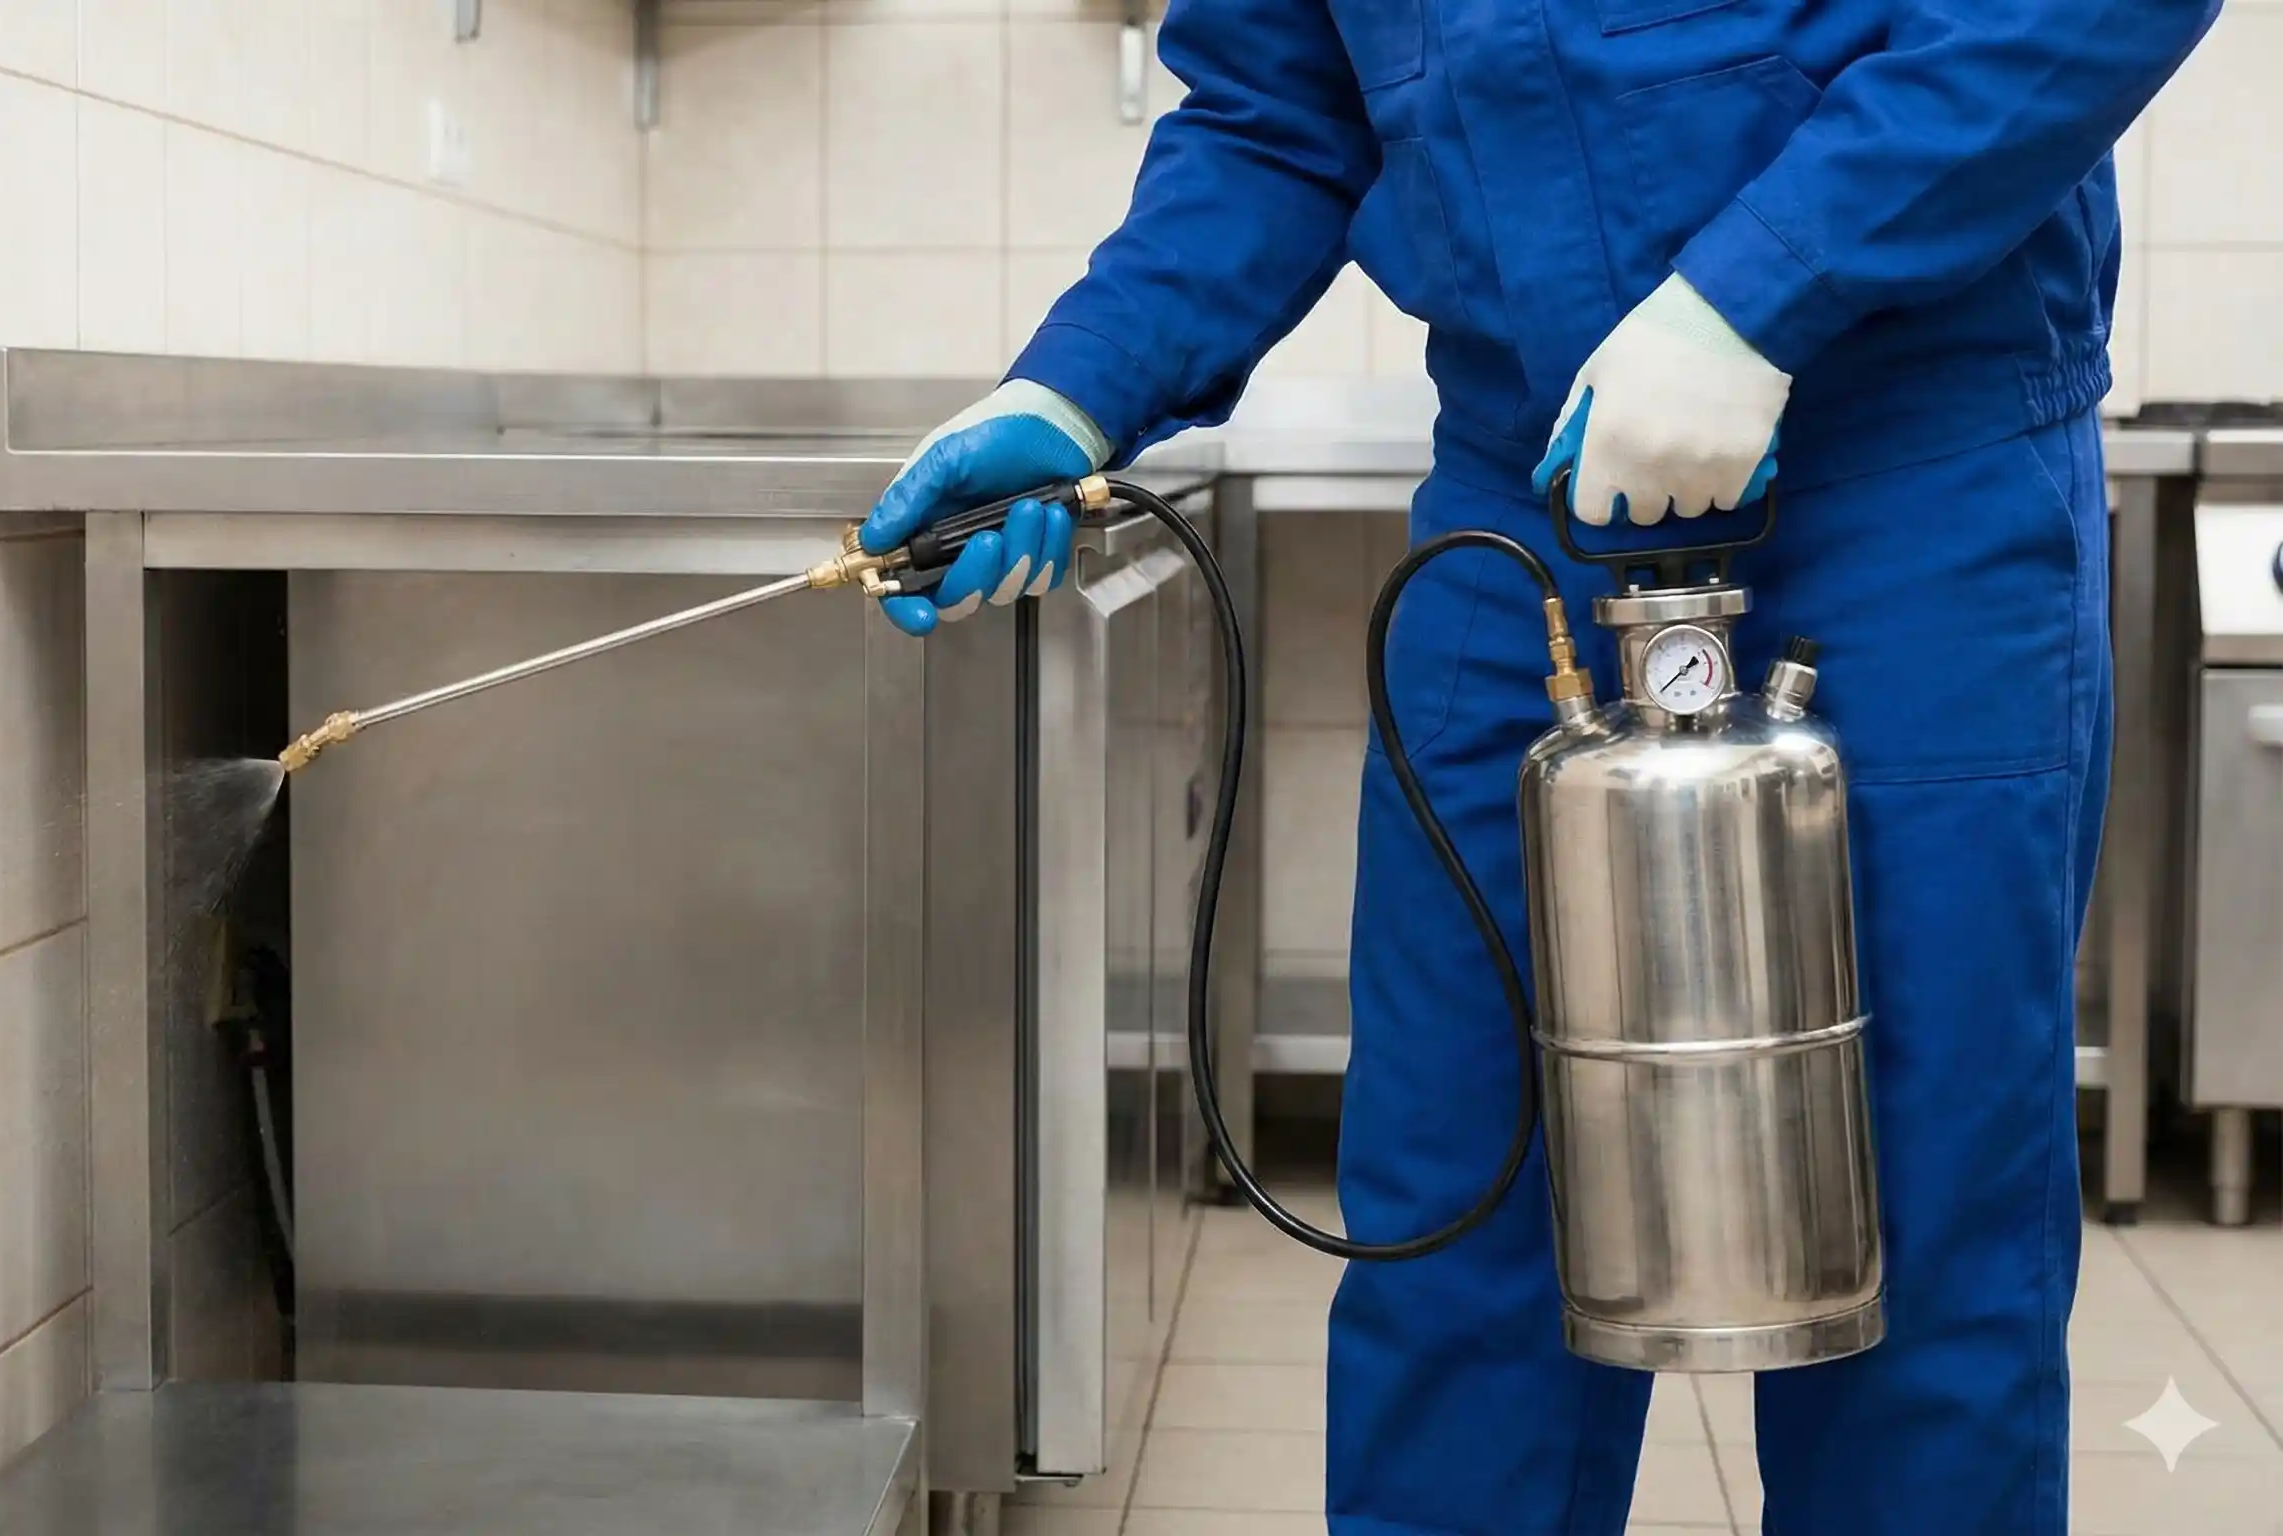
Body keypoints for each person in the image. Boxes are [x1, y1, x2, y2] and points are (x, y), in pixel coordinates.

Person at [855, 1, 2223, 1530]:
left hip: (1910, 483)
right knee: (1461, 1223)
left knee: (1912, 1248)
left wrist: (1762, 293)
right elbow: (1271, 114)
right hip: (1528, 508)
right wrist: (1080, 384)